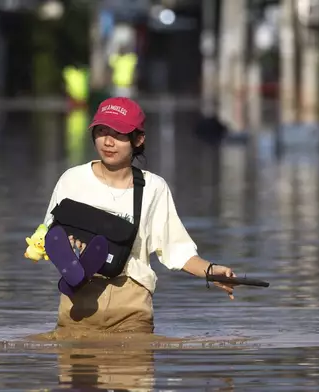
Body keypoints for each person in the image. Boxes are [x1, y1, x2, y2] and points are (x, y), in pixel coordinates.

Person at [41, 97, 237, 335]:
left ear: (138, 139)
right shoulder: (72, 180)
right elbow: (49, 236)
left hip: (131, 310)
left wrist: (210, 270)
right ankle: (77, 274)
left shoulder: (153, 187)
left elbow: (176, 250)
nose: (108, 142)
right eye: (102, 131)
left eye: (119, 134)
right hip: (76, 308)